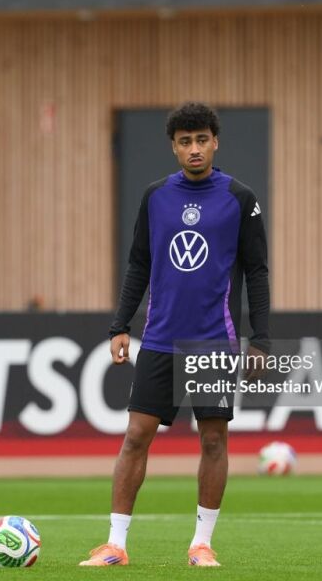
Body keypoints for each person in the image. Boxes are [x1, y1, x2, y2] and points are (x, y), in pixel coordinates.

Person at [79, 102, 271, 567]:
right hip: (160, 338)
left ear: (215, 142)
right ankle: (116, 545)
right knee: (136, 436)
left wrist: (261, 338)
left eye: (202, 139)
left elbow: (257, 271)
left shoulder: (239, 198)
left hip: (214, 340)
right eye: (185, 142)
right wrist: (120, 325)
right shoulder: (155, 197)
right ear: (174, 147)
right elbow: (138, 264)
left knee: (213, 440)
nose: (194, 149)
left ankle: (201, 544)